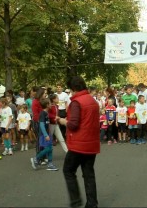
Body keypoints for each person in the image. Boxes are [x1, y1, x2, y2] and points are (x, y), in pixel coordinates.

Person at [58, 76, 100, 208]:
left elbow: (74, 124)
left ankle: (75, 202)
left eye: (70, 90)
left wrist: (62, 121)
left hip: (78, 144)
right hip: (91, 143)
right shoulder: (92, 101)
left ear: (74, 89)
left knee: (68, 171)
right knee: (88, 174)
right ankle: (92, 203)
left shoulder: (76, 102)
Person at [30, 98, 58, 171]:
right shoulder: (42, 113)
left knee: (50, 148)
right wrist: (46, 135)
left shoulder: (46, 113)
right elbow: (42, 125)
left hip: (47, 133)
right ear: (47, 105)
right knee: (48, 148)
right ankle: (36, 159)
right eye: (50, 103)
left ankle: (50, 164)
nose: (51, 104)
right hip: (43, 134)